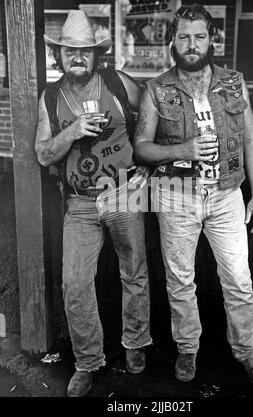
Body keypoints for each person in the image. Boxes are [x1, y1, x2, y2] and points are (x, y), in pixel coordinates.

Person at [134, 4, 253, 388]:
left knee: (239, 280)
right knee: (180, 280)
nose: (191, 45)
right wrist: (182, 150)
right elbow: (141, 147)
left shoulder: (233, 82)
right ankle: (188, 349)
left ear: (212, 40)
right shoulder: (156, 89)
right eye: (183, 37)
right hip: (176, 195)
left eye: (198, 36)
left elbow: (250, 140)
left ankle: (246, 351)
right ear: (172, 42)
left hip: (227, 194)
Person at [35, 10, 152, 397]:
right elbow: (42, 153)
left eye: (85, 50)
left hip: (124, 192)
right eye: (70, 51)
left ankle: (136, 345)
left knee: (133, 273)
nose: (78, 57)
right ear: (59, 56)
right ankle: (88, 361)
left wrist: (151, 165)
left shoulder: (119, 83)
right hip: (80, 205)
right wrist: (71, 131)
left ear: (96, 55)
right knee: (75, 283)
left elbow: (157, 113)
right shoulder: (51, 97)